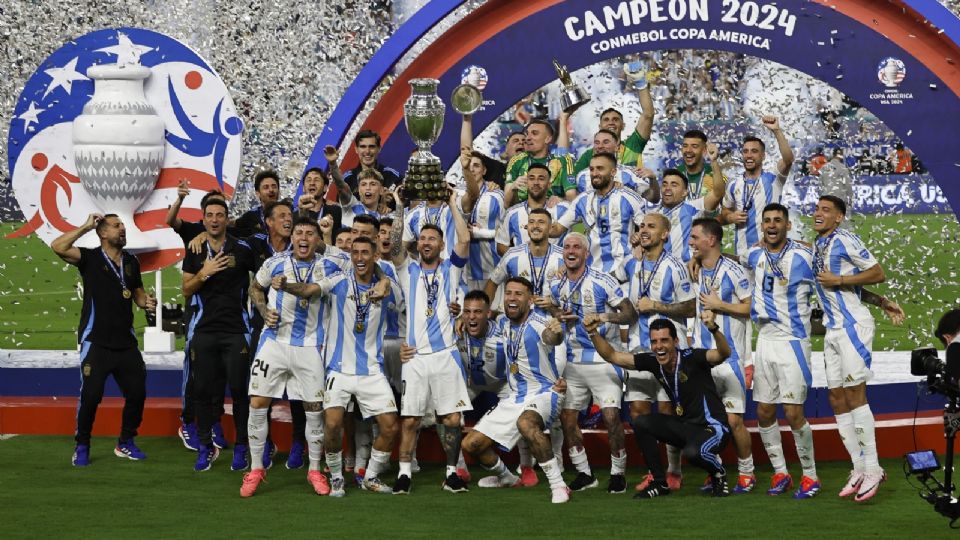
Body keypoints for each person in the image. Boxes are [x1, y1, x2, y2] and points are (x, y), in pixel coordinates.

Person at [269, 235, 400, 496]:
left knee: (390, 426)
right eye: (355, 253)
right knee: (332, 425)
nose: (359, 258)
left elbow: (399, 298)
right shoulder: (340, 281)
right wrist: (285, 286)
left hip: (372, 370)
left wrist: (385, 280)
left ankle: (371, 476)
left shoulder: (388, 288)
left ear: (374, 256)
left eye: (365, 253)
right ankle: (337, 477)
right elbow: (309, 290)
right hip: (338, 369)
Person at [811, 195, 905, 502]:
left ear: (838, 217)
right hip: (833, 329)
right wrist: (880, 301)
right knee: (836, 397)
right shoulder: (818, 245)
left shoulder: (845, 239)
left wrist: (839, 278)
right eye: (817, 208)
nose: (818, 213)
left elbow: (878, 272)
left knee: (854, 394)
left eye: (826, 210)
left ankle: (874, 467)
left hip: (853, 327)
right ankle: (858, 467)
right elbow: (854, 288)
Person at [586, 316, 733, 498]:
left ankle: (719, 474)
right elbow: (612, 356)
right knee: (641, 423)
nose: (659, 346)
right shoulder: (654, 362)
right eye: (654, 342)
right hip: (688, 427)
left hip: (714, 428)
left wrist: (714, 329)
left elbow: (723, 353)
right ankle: (659, 482)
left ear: (676, 341)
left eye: (664, 340)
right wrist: (592, 332)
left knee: (693, 453)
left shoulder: (693, 358)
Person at [387, 183, 473, 494]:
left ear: (440, 243)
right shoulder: (407, 270)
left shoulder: (451, 269)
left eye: (432, 238)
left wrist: (452, 202)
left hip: (446, 355)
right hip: (416, 357)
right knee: (409, 420)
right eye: (422, 238)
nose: (426, 242)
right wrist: (398, 206)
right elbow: (395, 246)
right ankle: (404, 474)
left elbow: (464, 239)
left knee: (451, 419)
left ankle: (451, 473)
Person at [52, 214, 156, 466]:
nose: (122, 229)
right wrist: (86, 225)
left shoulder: (131, 262)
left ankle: (125, 442)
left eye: (122, 225)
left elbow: (136, 292)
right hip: (96, 341)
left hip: (126, 342)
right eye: (116, 226)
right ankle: (82, 444)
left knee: (137, 393)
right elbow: (58, 246)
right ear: (102, 233)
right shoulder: (89, 258)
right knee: (91, 396)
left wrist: (146, 302)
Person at [238, 218, 329, 496]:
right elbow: (255, 287)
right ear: (292, 237)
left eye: (309, 234)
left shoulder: (329, 265)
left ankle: (314, 469)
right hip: (274, 343)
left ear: (317, 239)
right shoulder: (274, 262)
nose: (303, 238)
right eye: (299, 232)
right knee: (257, 401)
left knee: (314, 407)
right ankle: (255, 469)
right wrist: (264, 310)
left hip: (309, 345)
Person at [461, 277, 570, 503]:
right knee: (471, 444)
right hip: (515, 397)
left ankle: (559, 485)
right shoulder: (502, 323)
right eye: (508, 293)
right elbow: (480, 322)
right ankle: (507, 478)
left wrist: (557, 332)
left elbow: (553, 337)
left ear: (530, 300)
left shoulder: (539, 322)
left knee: (526, 423)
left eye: (518, 294)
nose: (512, 297)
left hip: (544, 393)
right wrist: (457, 321)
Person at [546, 232, 638, 493]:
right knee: (567, 418)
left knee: (610, 416)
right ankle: (584, 473)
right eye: (567, 247)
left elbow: (630, 314)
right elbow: (553, 307)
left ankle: (618, 473)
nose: (571, 250)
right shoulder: (556, 283)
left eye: (577, 247)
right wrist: (557, 313)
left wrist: (603, 317)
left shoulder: (603, 281)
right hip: (573, 361)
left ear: (587, 253)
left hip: (604, 359)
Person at [742, 203, 820, 498]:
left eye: (778, 220)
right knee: (763, 410)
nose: (772, 225)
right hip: (764, 342)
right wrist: (699, 258)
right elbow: (728, 258)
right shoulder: (754, 254)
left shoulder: (804, 256)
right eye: (767, 221)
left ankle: (810, 476)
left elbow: (828, 275)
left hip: (793, 343)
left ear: (788, 225)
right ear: (762, 226)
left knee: (793, 412)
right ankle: (781, 472)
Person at [615, 212, 695, 491]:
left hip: (668, 354)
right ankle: (654, 472)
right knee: (637, 411)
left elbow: (691, 307)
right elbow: (609, 280)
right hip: (639, 348)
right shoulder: (633, 264)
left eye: (651, 226)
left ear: (665, 234)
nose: (644, 230)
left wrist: (657, 306)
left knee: (666, 411)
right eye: (642, 226)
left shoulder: (675, 266)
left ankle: (674, 471)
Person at [181, 198, 257, 472]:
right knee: (203, 391)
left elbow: (262, 277)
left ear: (227, 219)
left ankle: (241, 448)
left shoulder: (243, 248)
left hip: (236, 330)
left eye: (219, 215)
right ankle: (204, 447)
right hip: (204, 331)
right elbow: (186, 290)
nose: (214, 220)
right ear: (203, 219)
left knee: (239, 391)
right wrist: (204, 273)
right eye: (209, 215)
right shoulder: (196, 248)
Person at [688, 218, 757, 493]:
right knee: (708, 423)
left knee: (734, 421)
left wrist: (720, 305)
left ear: (711, 240)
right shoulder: (694, 269)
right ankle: (715, 472)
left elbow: (751, 308)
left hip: (731, 358)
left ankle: (747, 473)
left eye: (695, 237)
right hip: (704, 360)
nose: (690, 242)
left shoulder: (734, 272)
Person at [551, 152, 650, 272]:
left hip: (624, 270)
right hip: (593, 272)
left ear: (613, 172)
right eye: (592, 169)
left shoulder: (629, 197)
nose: (594, 173)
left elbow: (648, 227)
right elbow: (557, 229)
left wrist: (639, 241)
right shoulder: (582, 200)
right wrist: (538, 228)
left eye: (600, 169)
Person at [721, 117, 795, 261]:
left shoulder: (773, 178)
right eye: (745, 151)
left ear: (763, 156)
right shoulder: (733, 184)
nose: (749, 155)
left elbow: (788, 159)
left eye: (754, 151)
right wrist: (730, 217)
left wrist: (776, 131)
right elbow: (725, 211)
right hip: (742, 255)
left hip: (770, 253)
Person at [647, 146, 726, 263]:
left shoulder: (693, 208)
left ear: (685, 192)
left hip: (686, 272)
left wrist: (713, 161)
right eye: (664, 184)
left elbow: (717, 193)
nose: (667, 188)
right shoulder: (652, 214)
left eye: (674, 185)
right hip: (658, 272)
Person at [571, 74, 654, 175]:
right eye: (606, 120)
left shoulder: (633, 145)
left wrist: (640, 82)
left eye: (615, 120)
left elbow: (648, 115)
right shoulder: (589, 155)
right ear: (600, 127)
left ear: (623, 126)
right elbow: (573, 181)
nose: (611, 122)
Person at [459, 152, 505, 301]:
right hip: (464, 271)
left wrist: (480, 233)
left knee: (494, 315)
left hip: (492, 269)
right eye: (469, 165)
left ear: (484, 171)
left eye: (476, 165)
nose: (472, 169)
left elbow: (506, 234)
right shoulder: (456, 194)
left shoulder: (497, 195)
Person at [497, 163, 570, 254]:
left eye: (541, 178)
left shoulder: (563, 209)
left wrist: (562, 199)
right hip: (523, 268)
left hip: (555, 268)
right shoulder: (513, 213)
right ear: (526, 183)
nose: (536, 182)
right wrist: (518, 259)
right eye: (531, 178)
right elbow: (501, 245)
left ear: (549, 185)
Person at [571, 129, 658, 203]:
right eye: (597, 143)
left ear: (617, 147)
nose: (600, 146)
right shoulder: (582, 176)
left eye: (606, 142)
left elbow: (653, 198)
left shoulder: (631, 173)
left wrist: (653, 180)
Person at [504, 119, 576, 204]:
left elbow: (572, 197)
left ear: (548, 139)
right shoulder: (516, 160)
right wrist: (513, 188)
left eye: (534, 133)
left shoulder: (563, 160)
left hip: (553, 209)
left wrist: (562, 200)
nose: (527, 138)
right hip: (524, 209)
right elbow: (506, 204)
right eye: (527, 134)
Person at [673, 129, 721, 200]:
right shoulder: (675, 175)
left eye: (694, 146)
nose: (688, 150)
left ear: (704, 150)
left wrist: (714, 161)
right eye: (685, 146)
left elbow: (721, 197)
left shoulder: (715, 175)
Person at [234, 170, 280, 237]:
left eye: (274, 186)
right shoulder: (249, 217)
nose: (271, 190)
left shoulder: (289, 214)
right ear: (258, 193)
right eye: (266, 187)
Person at [297, 166, 343, 232]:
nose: (312, 183)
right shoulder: (296, 215)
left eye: (316, 180)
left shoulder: (336, 212)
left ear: (325, 188)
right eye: (308, 180)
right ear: (303, 188)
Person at [818, 149, 854, 230]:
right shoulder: (843, 168)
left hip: (826, 199)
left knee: (827, 223)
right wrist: (850, 199)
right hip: (839, 200)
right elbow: (848, 185)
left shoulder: (824, 167)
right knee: (842, 225)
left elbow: (820, 185)